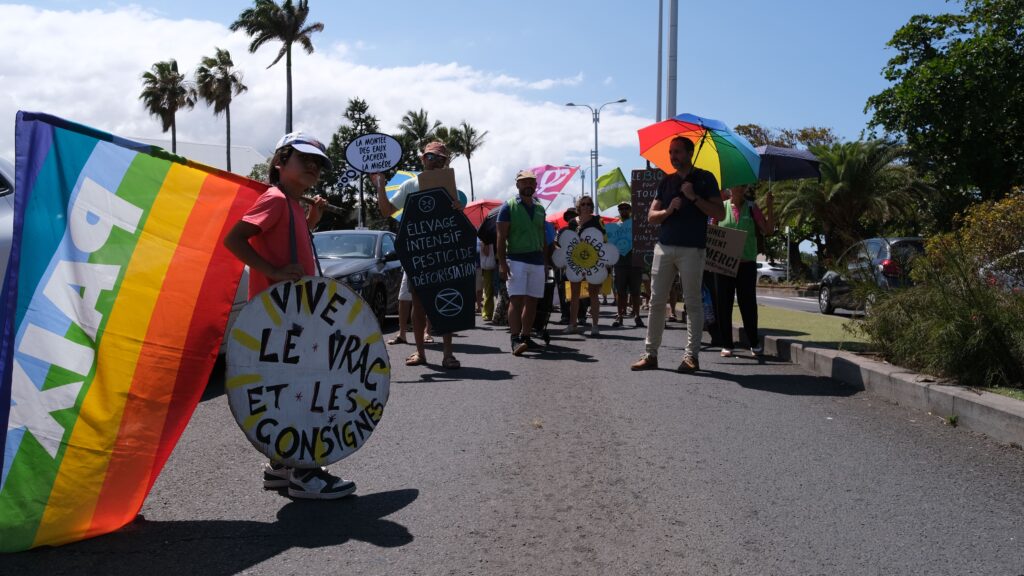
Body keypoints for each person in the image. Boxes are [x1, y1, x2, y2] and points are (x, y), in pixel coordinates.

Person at [223, 131, 356, 500]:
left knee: (291, 393)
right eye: (304, 160)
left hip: (294, 318)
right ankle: (304, 472)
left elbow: (285, 240)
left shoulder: (291, 204)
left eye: (318, 163)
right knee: (303, 393)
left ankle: (282, 468)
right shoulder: (276, 199)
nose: (313, 167)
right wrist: (274, 272)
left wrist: (311, 218)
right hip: (281, 320)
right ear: (281, 162)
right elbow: (234, 240)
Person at [631, 136, 724, 372]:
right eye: (671, 152)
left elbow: (719, 213)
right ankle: (650, 354)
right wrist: (669, 210)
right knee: (656, 302)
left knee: (692, 302)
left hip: (693, 249)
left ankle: (691, 356)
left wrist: (693, 196)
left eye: (678, 152)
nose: (673, 157)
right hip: (664, 246)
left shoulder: (705, 179)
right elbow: (651, 216)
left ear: (690, 152)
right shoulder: (667, 181)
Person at [374, 141, 464, 369]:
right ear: (423, 159)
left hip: (442, 252)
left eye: (440, 159)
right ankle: (420, 352)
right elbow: (387, 211)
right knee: (418, 303)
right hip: (418, 252)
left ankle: (448, 353)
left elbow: (457, 221)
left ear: (446, 163)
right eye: (431, 158)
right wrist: (380, 185)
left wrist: (457, 208)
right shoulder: (409, 186)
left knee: (445, 302)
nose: (435, 162)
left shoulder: (448, 186)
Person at [714, 184, 774, 357]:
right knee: (723, 305)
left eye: (742, 185)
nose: (738, 188)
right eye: (735, 185)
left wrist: (770, 206)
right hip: (723, 265)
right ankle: (727, 344)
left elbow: (768, 230)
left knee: (748, 305)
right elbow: (712, 232)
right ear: (730, 188)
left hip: (747, 264)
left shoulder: (752, 207)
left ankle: (754, 342)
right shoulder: (721, 207)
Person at [496, 170, 549, 356]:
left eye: (531, 182)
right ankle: (515, 338)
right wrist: (502, 263)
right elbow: (501, 238)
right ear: (517, 185)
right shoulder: (508, 207)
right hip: (516, 259)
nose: (528, 185)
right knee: (516, 300)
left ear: (535, 186)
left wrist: (545, 261)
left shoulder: (540, 208)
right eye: (524, 182)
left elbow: (542, 235)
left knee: (533, 301)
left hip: (536, 261)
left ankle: (526, 337)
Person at [564, 196, 606, 337]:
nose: (586, 206)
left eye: (589, 204)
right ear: (578, 207)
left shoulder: (597, 221)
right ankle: (572, 324)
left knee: (593, 294)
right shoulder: (572, 223)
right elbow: (567, 240)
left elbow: (604, 239)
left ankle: (595, 326)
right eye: (583, 204)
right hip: (576, 261)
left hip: (593, 261)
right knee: (574, 295)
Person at [612, 201, 645, 329]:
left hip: (635, 262)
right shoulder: (615, 226)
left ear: (630, 210)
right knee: (620, 293)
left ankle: (637, 316)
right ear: (619, 211)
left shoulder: (636, 225)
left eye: (626, 208)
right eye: (621, 208)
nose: (623, 210)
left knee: (635, 292)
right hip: (619, 263)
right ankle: (619, 316)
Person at [555, 207, 578, 324]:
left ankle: (581, 315)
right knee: (563, 289)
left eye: (573, 215)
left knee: (581, 290)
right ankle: (565, 315)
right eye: (569, 216)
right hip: (565, 265)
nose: (571, 218)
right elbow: (557, 245)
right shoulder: (562, 231)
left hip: (579, 265)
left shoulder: (582, 230)